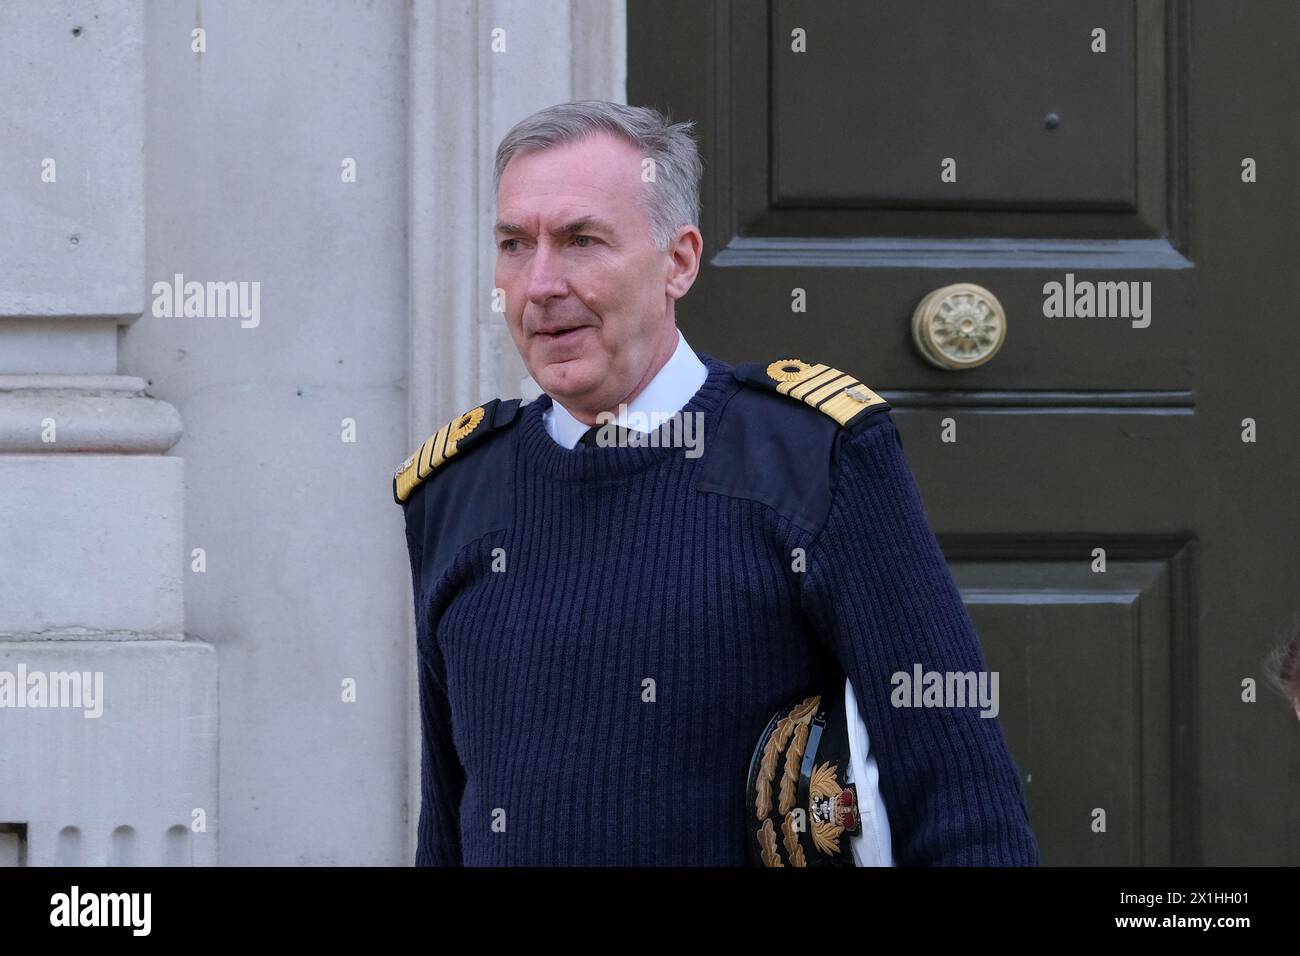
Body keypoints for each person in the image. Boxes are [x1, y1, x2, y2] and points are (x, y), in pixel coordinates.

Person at [394, 100, 1039, 866]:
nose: (539, 285)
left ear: (679, 261)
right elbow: (447, 813)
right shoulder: (454, 492)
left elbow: (960, 793)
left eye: (581, 241)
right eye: (513, 245)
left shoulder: (813, 456)